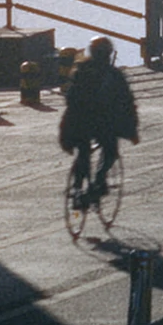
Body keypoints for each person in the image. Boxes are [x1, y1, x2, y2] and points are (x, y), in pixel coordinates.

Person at [58, 38, 138, 207]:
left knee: (83, 151)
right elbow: (127, 103)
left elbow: (71, 98)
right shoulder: (114, 75)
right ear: (109, 55)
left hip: (78, 121)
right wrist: (132, 131)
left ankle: (77, 187)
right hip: (104, 123)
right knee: (110, 151)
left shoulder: (80, 71)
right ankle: (99, 181)